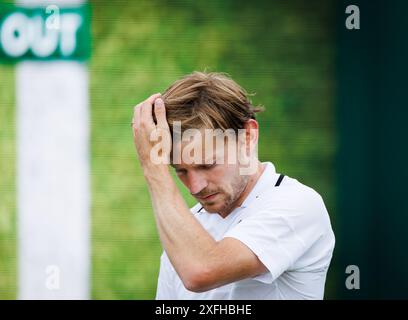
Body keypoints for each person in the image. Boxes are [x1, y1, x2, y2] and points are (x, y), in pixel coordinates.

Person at [131, 71, 335, 299]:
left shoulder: (298, 205)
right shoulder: (182, 232)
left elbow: (201, 270)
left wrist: (153, 165)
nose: (195, 187)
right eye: (181, 170)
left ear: (247, 136)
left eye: (208, 164)